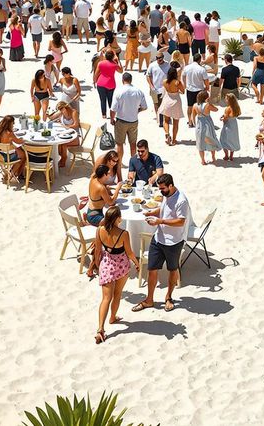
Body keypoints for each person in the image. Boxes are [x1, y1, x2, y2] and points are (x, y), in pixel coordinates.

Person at [133, 173, 189, 313]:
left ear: (171, 185)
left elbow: (181, 221)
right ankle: (149, 300)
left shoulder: (181, 200)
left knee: (172, 270)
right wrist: (152, 212)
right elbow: (164, 209)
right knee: (152, 270)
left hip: (173, 242)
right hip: (158, 239)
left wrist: (160, 221)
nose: (161, 191)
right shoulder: (166, 195)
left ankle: (169, 297)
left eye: (163, 189)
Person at [89, 205, 138, 344]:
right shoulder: (124, 234)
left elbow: (98, 251)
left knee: (105, 298)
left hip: (107, 264)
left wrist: (98, 266)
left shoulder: (99, 230)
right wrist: (137, 263)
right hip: (121, 265)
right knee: (117, 294)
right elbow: (129, 253)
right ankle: (113, 317)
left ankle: (100, 329)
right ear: (117, 218)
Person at [109, 71, 149, 164]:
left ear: (123, 80)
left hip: (121, 121)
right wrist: (137, 111)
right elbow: (144, 107)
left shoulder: (119, 90)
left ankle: (119, 163)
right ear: (131, 80)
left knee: (119, 144)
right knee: (133, 143)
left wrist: (112, 119)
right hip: (134, 121)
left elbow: (113, 108)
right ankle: (133, 162)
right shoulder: (138, 91)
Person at [158, 67, 185, 146]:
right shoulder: (177, 82)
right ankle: (173, 140)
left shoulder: (164, 82)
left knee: (166, 120)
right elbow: (183, 91)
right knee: (175, 122)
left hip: (167, 100)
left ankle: (167, 133)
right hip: (176, 101)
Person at [193, 91, 219, 166]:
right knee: (211, 139)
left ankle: (203, 160)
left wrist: (195, 124)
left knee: (200, 143)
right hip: (208, 124)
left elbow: (193, 116)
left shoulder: (195, 105)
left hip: (200, 125)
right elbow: (216, 109)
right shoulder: (207, 105)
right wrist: (210, 103)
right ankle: (213, 157)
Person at [94, 50, 121, 119]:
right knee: (111, 99)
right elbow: (121, 71)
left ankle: (104, 115)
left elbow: (96, 74)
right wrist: (118, 61)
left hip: (101, 83)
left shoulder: (100, 63)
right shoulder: (114, 64)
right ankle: (112, 113)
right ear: (112, 57)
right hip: (111, 83)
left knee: (102, 100)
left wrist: (94, 81)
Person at [218, 93, 241, 162]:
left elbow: (225, 119)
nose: (225, 99)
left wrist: (221, 119)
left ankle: (226, 155)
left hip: (228, 125)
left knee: (223, 140)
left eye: (226, 98)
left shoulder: (227, 109)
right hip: (234, 125)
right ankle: (231, 156)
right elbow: (236, 114)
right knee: (233, 140)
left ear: (229, 100)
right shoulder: (237, 107)